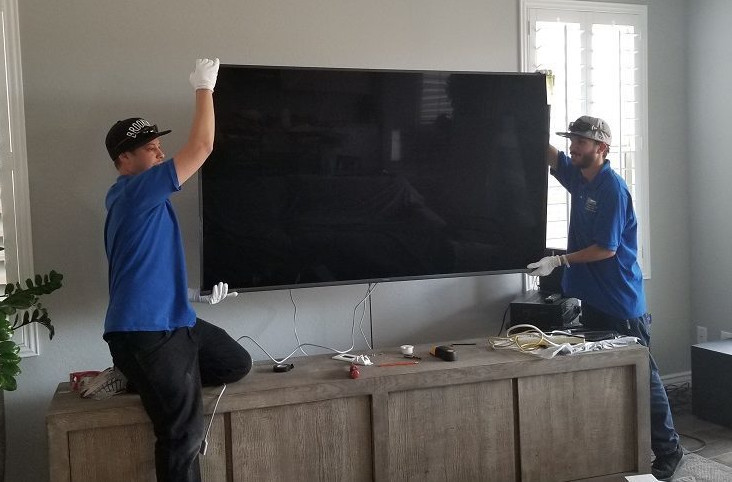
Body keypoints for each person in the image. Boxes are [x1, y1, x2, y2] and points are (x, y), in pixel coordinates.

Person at [101, 58, 252, 482]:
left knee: (235, 363)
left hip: (175, 320)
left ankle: (144, 379)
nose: (160, 152)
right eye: (150, 148)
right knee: (183, 434)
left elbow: (140, 268)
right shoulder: (134, 192)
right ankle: (145, 374)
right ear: (124, 159)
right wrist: (205, 87)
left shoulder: (146, 202)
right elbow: (202, 148)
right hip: (145, 332)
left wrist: (189, 296)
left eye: (158, 144)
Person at [527, 115, 683, 480]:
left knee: (644, 377)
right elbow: (551, 156)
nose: (573, 146)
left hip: (621, 305)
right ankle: (618, 447)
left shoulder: (611, 188)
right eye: (572, 140)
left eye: (580, 141)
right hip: (594, 300)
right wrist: (529, 112)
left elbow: (607, 249)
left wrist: (559, 260)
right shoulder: (581, 179)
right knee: (606, 376)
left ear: (601, 148)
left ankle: (669, 449)